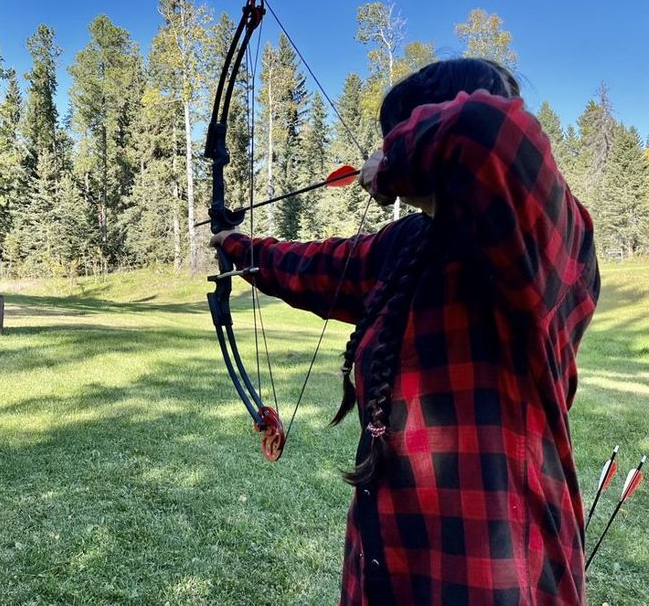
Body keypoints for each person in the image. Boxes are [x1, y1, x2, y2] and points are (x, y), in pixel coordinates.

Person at [211, 58, 599, 605]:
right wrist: (234, 244)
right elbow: (318, 266)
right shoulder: (410, 244)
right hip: (389, 562)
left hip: (496, 572)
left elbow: (489, 133)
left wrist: (395, 163)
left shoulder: (548, 235)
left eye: (396, 136)